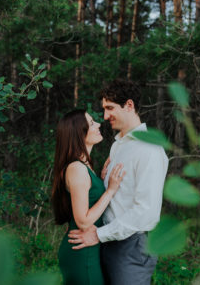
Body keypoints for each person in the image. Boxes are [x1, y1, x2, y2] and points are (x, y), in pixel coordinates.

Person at [68, 80, 169, 285]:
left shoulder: (149, 149)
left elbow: (146, 212)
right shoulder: (118, 145)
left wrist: (99, 235)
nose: (105, 116)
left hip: (130, 245)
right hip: (108, 241)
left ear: (129, 105)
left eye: (110, 108)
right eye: (104, 109)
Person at [52, 109, 125, 285]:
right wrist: (110, 191)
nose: (99, 124)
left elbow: (88, 198)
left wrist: (100, 182)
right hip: (82, 251)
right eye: (92, 123)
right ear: (79, 133)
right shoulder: (76, 168)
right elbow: (83, 221)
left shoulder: (84, 166)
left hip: (87, 248)